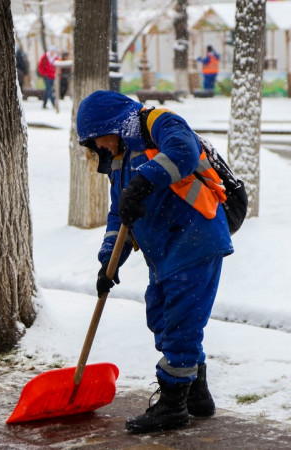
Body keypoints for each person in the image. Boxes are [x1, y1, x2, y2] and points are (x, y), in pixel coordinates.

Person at [76, 90, 234, 434]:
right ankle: (196, 393)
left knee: (180, 323)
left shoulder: (159, 121)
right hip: (163, 251)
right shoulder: (118, 162)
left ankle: (173, 406)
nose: (99, 147)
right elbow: (121, 215)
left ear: (112, 125)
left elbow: (184, 151)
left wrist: (144, 181)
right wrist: (109, 264)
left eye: (97, 138)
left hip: (195, 239)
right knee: (162, 318)